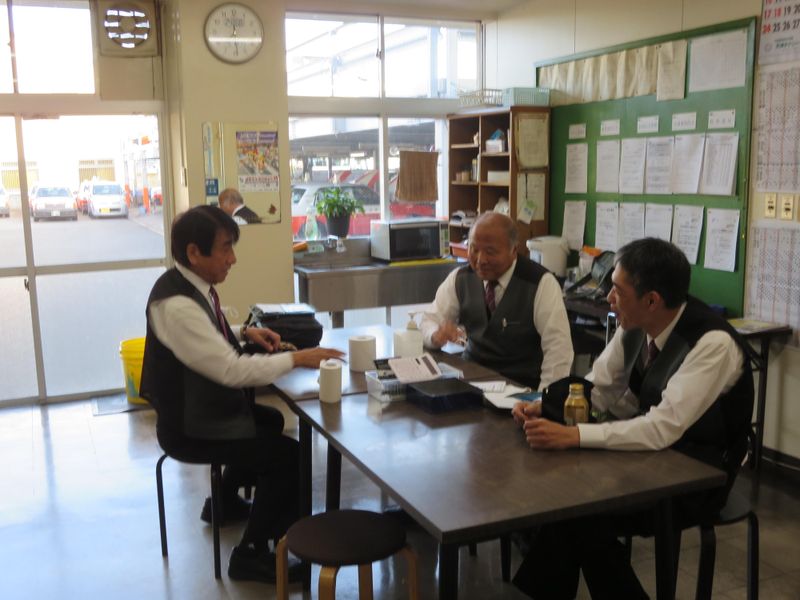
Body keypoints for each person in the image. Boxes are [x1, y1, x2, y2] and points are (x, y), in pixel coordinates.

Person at [510, 237, 754, 599]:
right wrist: (548, 406)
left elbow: (661, 429)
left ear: (652, 300)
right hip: (651, 458)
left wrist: (574, 436)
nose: (608, 297)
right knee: (569, 508)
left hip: (700, 475)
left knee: (580, 515)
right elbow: (600, 388)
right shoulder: (636, 322)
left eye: (617, 290)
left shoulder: (712, 344)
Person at [140, 205, 343, 584]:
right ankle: (251, 554)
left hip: (194, 414)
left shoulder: (183, 285)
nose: (232, 258)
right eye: (225, 248)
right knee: (288, 458)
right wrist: (298, 358)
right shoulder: (177, 306)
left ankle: (224, 502)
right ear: (194, 253)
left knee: (269, 419)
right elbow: (232, 370)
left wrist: (243, 331)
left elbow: (206, 335)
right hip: (186, 428)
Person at [419, 212, 573, 391]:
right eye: (474, 249)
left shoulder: (541, 283)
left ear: (514, 250)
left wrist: (544, 400)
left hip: (522, 388)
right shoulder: (460, 279)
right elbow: (429, 320)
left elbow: (558, 350)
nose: (480, 260)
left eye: (490, 252)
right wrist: (436, 335)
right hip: (472, 381)